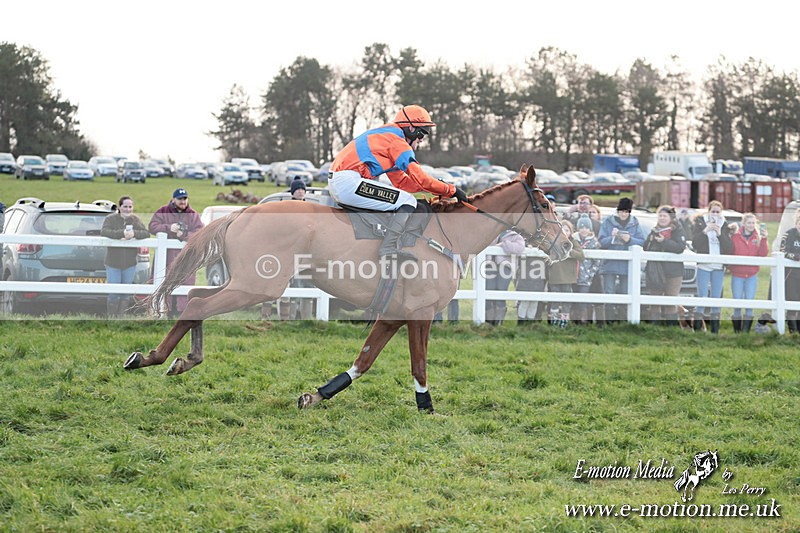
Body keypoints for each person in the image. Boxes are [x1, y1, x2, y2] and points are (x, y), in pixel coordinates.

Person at [328, 104, 468, 261]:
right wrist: (451, 190)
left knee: (404, 198)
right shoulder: (397, 142)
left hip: (343, 182)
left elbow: (401, 183)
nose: (421, 140)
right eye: (422, 134)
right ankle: (388, 248)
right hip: (348, 182)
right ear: (410, 128)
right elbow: (421, 178)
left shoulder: (387, 138)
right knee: (407, 201)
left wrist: (436, 189)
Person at [148, 188, 204, 316]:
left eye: (185, 199)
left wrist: (184, 234)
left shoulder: (193, 214)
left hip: (186, 257)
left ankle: (181, 313)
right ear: (173, 199)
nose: (183, 201)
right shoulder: (163, 211)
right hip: (166, 256)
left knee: (184, 281)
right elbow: (152, 226)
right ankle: (165, 310)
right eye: (180, 199)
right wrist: (169, 228)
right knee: (165, 280)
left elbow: (200, 233)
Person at [598, 197, 645, 323]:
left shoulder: (635, 223)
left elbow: (641, 242)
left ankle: (623, 321)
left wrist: (629, 240)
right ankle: (609, 321)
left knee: (626, 292)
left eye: (626, 212)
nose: (623, 214)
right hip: (610, 264)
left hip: (627, 265)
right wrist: (611, 237)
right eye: (621, 211)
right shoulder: (608, 221)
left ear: (630, 212)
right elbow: (601, 241)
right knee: (609, 292)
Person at [101, 196, 149, 318]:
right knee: (113, 292)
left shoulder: (136, 220)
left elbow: (146, 233)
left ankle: (121, 317)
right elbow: (105, 232)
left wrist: (135, 234)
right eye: (125, 206)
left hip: (130, 262)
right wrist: (121, 234)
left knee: (126, 293)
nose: (128, 209)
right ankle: (111, 318)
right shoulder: (110, 219)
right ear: (119, 207)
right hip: (113, 262)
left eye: (130, 207)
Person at [691, 200, 732, 334]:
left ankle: (715, 331)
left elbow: (729, 248)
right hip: (704, 264)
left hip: (718, 266)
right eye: (713, 211)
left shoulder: (725, 225)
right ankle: (697, 329)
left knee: (716, 297)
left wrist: (720, 233)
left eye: (717, 212)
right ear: (708, 212)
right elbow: (695, 244)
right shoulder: (700, 222)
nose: (715, 214)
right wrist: (705, 231)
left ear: (721, 213)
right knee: (702, 295)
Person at [642, 205, 687, 325]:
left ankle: (671, 328)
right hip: (655, 271)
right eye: (660, 216)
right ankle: (654, 327)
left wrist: (664, 242)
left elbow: (680, 247)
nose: (662, 218)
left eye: (664, 216)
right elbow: (645, 248)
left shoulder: (678, 230)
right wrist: (651, 240)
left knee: (670, 300)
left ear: (671, 217)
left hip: (673, 272)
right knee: (655, 300)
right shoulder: (654, 230)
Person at [729, 213, 768, 333]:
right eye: (749, 223)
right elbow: (730, 252)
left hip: (752, 275)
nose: (751, 225)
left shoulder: (758, 237)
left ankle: (745, 333)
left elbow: (763, 254)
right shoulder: (735, 236)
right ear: (744, 223)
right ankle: (737, 332)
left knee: (749, 303)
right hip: (737, 275)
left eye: (753, 223)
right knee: (737, 303)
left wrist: (764, 239)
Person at [546, 220, 584, 327]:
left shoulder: (573, 242)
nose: (564, 231)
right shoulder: (552, 241)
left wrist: (569, 251)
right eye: (562, 229)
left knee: (566, 301)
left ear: (571, 232)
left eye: (567, 230)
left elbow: (581, 256)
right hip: (555, 275)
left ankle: (564, 322)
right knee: (554, 301)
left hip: (568, 277)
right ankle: (554, 322)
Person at [485, 229, 525, 326]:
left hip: (506, 267)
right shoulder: (492, 232)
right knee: (488, 291)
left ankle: (498, 321)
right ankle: (488, 321)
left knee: (500, 290)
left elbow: (518, 249)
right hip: (490, 265)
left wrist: (504, 244)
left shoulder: (516, 236)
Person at [573, 214, 601, 325]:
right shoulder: (573, 240)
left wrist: (590, 273)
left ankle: (585, 321)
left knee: (583, 300)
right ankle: (575, 321)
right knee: (574, 299)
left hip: (586, 277)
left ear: (590, 229)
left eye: (586, 228)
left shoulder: (594, 243)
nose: (584, 230)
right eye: (581, 227)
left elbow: (597, 261)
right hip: (574, 275)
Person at [779, 211, 800, 333]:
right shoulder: (789, 234)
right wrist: (796, 256)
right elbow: (783, 251)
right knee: (792, 302)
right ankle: (793, 332)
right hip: (791, 275)